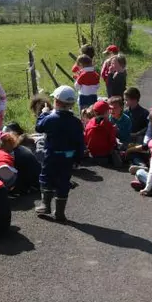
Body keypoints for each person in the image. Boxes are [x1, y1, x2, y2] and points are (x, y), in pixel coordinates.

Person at [34, 85, 85, 221]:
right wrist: (79, 158)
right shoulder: (76, 122)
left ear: (56, 101)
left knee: (46, 177)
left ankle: (45, 205)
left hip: (51, 155)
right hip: (68, 157)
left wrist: (44, 113)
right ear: (72, 104)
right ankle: (60, 212)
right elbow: (80, 141)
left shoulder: (50, 118)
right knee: (64, 181)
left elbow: (39, 127)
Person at [85, 100, 121, 168]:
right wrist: (114, 130)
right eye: (108, 111)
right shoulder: (108, 125)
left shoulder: (90, 122)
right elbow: (112, 142)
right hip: (105, 154)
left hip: (92, 153)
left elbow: (86, 138)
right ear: (106, 112)